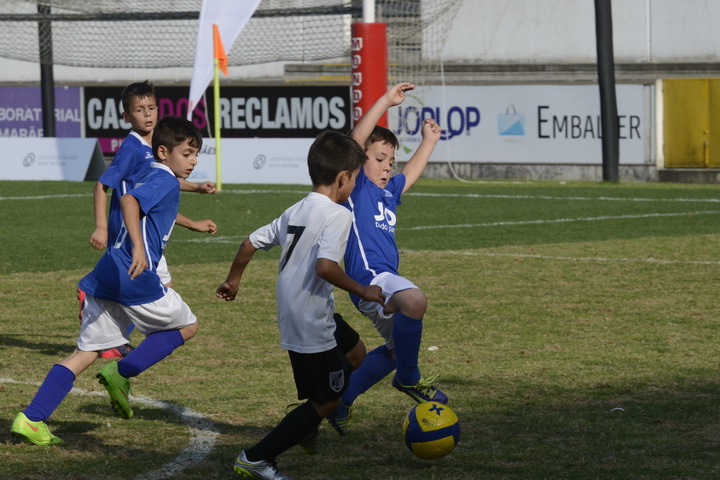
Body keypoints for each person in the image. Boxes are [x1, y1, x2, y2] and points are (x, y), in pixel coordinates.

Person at [11, 116, 206, 446]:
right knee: (188, 326)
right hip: (134, 275)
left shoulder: (151, 172)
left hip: (108, 272)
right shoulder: (165, 180)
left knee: (84, 352)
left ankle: (32, 418)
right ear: (163, 152)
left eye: (196, 154)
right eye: (187, 154)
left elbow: (142, 202)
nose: (194, 161)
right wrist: (139, 246)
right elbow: (129, 201)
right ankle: (121, 371)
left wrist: (193, 223)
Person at [216, 130, 385, 480]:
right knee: (328, 401)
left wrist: (233, 280)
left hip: (305, 309)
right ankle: (256, 458)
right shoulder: (338, 215)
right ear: (343, 177)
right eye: (355, 178)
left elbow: (249, 243)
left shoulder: (296, 209)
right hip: (309, 318)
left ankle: (308, 423)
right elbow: (326, 267)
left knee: (356, 353)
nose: (355, 184)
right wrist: (364, 291)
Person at [327, 83, 448, 436]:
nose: (386, 168)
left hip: (381, 281)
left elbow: (409, 175)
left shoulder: (387, 192)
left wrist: (429, 142)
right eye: (379, 159)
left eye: (390, 162)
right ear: (358, 162)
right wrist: (384, 101)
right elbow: (355, 141)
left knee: (398, 349)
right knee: (415, 301)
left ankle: (342, 401)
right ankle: (409, 379)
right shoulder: (358, 188)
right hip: (371, 279)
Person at [82, 80, 217, 359]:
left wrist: (196, 188)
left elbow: (161, 186)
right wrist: (101, 226)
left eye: (152, 108)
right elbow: (103, 185)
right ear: (126, 116)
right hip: (130, 232)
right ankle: (117, 337)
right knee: (151, 291)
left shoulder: (156, 144)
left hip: (143, 231)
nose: (147, 114)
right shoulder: (132, 148)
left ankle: (114, 336)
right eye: (140, 109)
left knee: (154, 287)